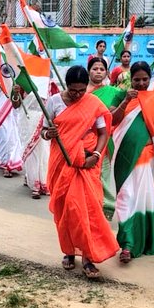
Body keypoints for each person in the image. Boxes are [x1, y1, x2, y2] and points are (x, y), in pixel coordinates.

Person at [42, 65, 118, 279]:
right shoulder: (54, 102)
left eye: (81, 91)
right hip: (62, 163)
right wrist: (49, 133)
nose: (77, 95)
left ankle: (87, 257)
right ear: (66, 86)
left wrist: (96, 154)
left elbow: (103, 132)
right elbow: (43, 132)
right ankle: (69, 251)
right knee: (66, 211)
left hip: (87, 162)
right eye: (73, 90)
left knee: (87, 211)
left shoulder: (92, 103)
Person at [110, 62, 154, 263]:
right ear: (130, 79)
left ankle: (139, 241)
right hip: (124, 155)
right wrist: (125, 101)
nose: (141, 83)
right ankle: (127, 243)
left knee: (144, 196)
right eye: (137, 80)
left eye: (145, 79)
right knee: (125, 196)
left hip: (147, 156)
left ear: (150, 79)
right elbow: (112, 119)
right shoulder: (120, 96)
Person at [88, 56, 125, 218]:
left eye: (102, 69)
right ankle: (90, 204)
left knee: (103, 172)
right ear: (88, 71)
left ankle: (107, 206)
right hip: (84, 138)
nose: (98, 72)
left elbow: (130, 100)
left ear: (107, 73)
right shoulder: (81, 92)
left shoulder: (113, 92)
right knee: (87, 174)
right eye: (95, 69)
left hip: (105, 138)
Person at [0, 80, 24, 177]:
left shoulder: (18, 76)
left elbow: (17, 104)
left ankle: (6, 163)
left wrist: (16, 93)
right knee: (4, 138)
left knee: (12, 139)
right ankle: (4, 162)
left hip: (14, 113)